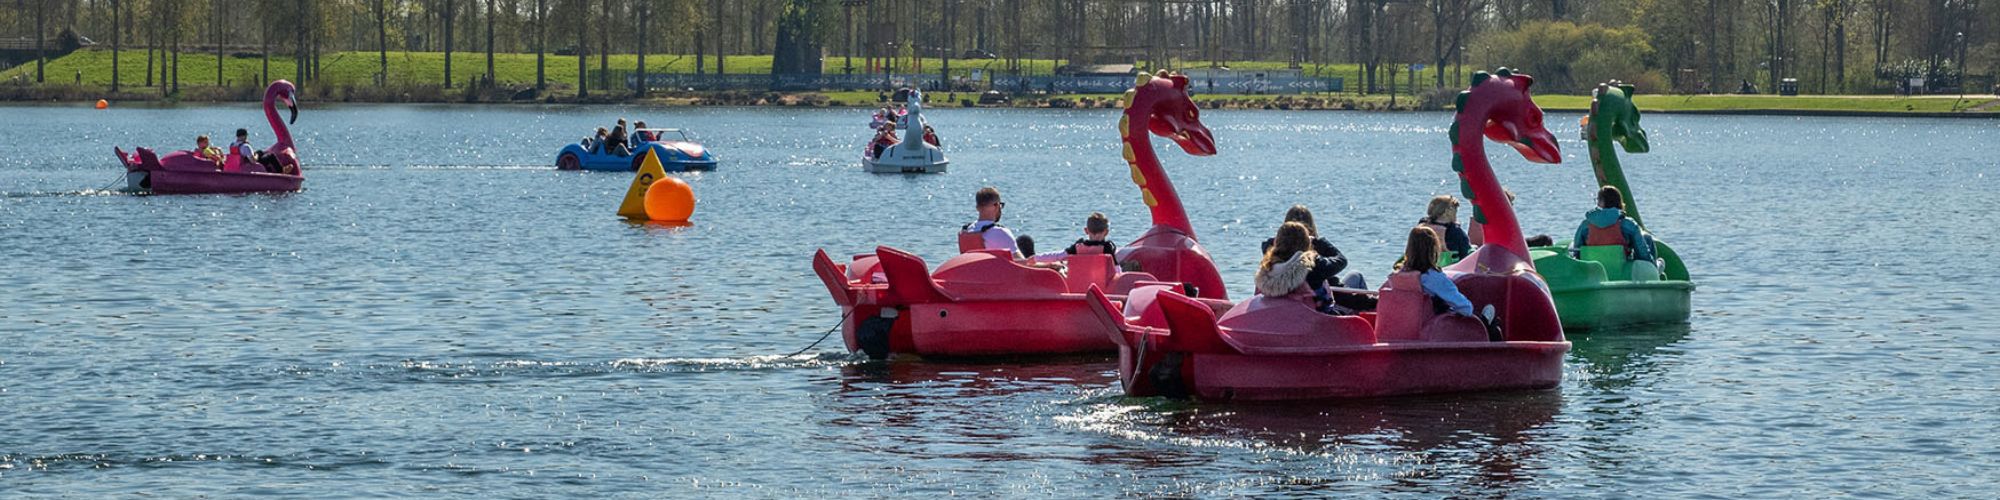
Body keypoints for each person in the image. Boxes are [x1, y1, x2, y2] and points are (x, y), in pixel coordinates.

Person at [1258, 205, 1370, 312]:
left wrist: (1286, 237)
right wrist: (1319, 241)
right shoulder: (1313, 264)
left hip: (1286, 313)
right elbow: (1341, 261)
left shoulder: (1270, 264)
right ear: (1307, 239)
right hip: (1319, 315)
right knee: (1356, 276)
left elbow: (1267, 245)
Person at [1402, 226, 1502, 341]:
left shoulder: (1400, 275)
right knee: (1491, 322)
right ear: (1433, 250)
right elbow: (1465, 308)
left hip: (1411, 328)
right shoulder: (1432, 277)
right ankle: (1498, 353)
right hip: (1437, 328)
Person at [960, 187, 1064, 270]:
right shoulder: (1000, 233)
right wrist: (1050, 265)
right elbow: (1024, 265)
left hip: (976, 278)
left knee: (1022, 241)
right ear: (997, 206)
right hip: (1001, 282)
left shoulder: (965, 231)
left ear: (977, 207)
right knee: (1026, 241)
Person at [1567, 185, 1656, 262]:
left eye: (1598, 200)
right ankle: (1655, 270)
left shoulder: (1585, 225)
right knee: (1647, 238)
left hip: (1593, 268)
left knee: (1572, 245)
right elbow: (1643, 254)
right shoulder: (1628, 224)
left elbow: (1577, 250)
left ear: (1601, 202)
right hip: (1621, 267)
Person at [1255, 222, 1322, 302]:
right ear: (1306, 242)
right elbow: (1340, 261)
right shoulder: (1311, 266)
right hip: (1302, 309)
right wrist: (1319, 241)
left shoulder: (1266, 269)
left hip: (1272, 308)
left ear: (1276, 241)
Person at [1027, 212, 1117, 264]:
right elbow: (1116, 270)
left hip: (1081, 283)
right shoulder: (1107, 248)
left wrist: (1036, 258)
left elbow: (1058, 256)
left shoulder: (1078, 247)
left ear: (1086, 230)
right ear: (1106, 232)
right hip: (1102, 285)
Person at [1419, 195, 1472, 261]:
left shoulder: (1422, 226)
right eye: (1455, 211)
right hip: (1449, 266)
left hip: (1424, 263)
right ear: (1447, 212)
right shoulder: (1456, 231)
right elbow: (1465, 255)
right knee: (1473, 249)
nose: (1456, 214)